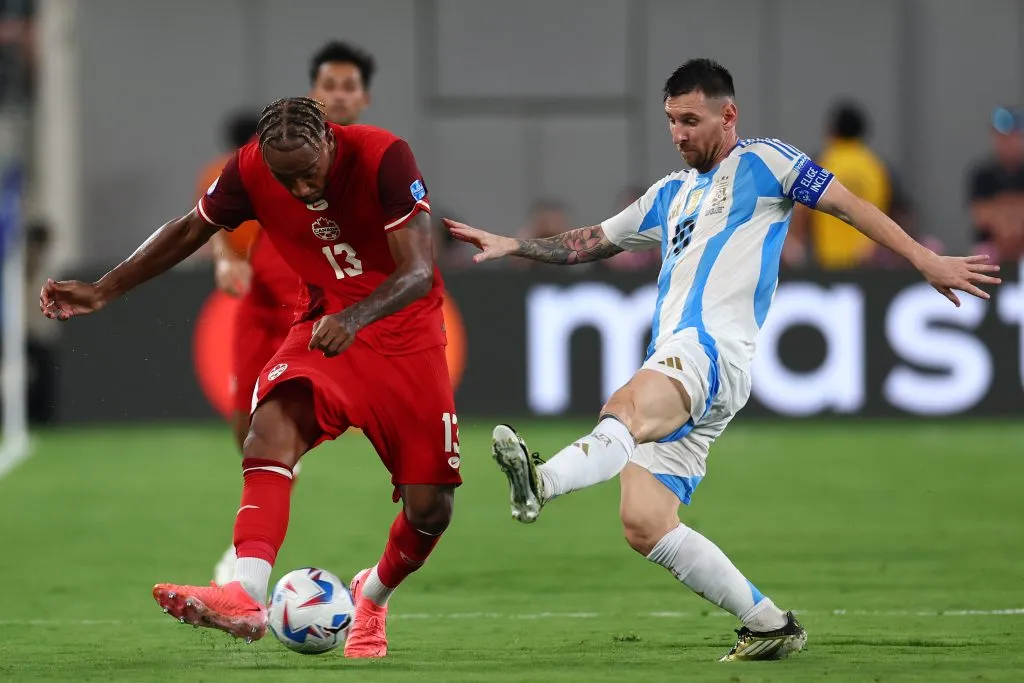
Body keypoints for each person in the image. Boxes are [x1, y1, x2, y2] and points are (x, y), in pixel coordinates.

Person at [446, 58, 999, 662]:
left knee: (624, 407)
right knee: (645, 522)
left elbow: (847, 206)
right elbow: (590, 241)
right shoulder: (668, 194)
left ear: (727, 114)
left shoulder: (765, 162)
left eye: (691, 119)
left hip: (709, 353)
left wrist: (925, 260)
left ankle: (541, 481)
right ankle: (768, 624)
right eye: (670, 121)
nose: (679, 133)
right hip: (689, 364)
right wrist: (513, 244)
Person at [40, 97, 459, 659]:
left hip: (403, 334)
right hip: (324, 324)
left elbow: (416, 270)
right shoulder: (249, 169)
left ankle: (373, 596)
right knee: (270, 429)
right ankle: (245, 592)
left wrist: (356, 317)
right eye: (286, 180)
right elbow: (190, 228)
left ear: (331, 141)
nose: (301, 189)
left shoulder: (385, 157)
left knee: (430, 509)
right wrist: (103, 289)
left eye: (309, 173)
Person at [208, 40, 377, 586]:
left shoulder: (377, 161)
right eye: (329, 85)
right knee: (246, 429)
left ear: (365, 98)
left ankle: (385, 564)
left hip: (332, 313)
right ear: (314, 92)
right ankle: (275, 497)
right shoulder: (272, 159)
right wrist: (222, 260)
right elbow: (217, 220)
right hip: (264, 309)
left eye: (349, 87)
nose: (338, 95)